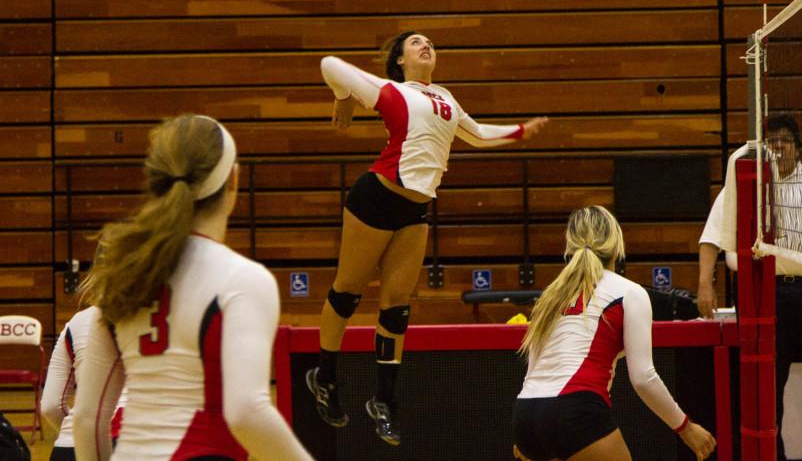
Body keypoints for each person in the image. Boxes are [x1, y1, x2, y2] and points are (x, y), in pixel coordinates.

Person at [307, 31, 548, 445]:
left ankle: (384, 400)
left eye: (430, 42)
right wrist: (343, 98)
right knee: (347, 292)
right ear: (399, 60)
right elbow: (330, 63)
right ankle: (325, 376)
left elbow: (474, 134)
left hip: (415, 207)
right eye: (415, 42)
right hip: (377, 196)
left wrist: (519, 131)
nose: (426, 45)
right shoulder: (390, 91)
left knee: (397, 308)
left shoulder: (446, 98)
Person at [71, 114, 316, 461]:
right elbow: (247, 412)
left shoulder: (125, 274)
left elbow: (86, 419)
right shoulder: (242, 278)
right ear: (233, 179)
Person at [698, 114, 802, 461]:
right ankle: (769, 456)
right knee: (764, 387)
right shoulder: (744, 184)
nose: (778, 146)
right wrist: (704, 284)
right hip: (763, 293)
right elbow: (712, 236)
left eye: (785, 140)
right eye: (771, 140)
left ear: (798, 148)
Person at [514, 205, 716, 461]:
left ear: (569, 246)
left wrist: (530, 431)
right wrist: (686, 428)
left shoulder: (551, 295)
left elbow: (535, 368)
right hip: (575, 410)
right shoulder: (629, 292)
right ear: (617, 244)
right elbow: (643, 377)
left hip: (526, 414)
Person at [41, 306, 127, 461]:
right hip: (138, 442)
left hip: (67, 447)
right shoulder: (172, 311)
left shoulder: (78, 321)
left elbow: (50, 406)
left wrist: (76, 429)